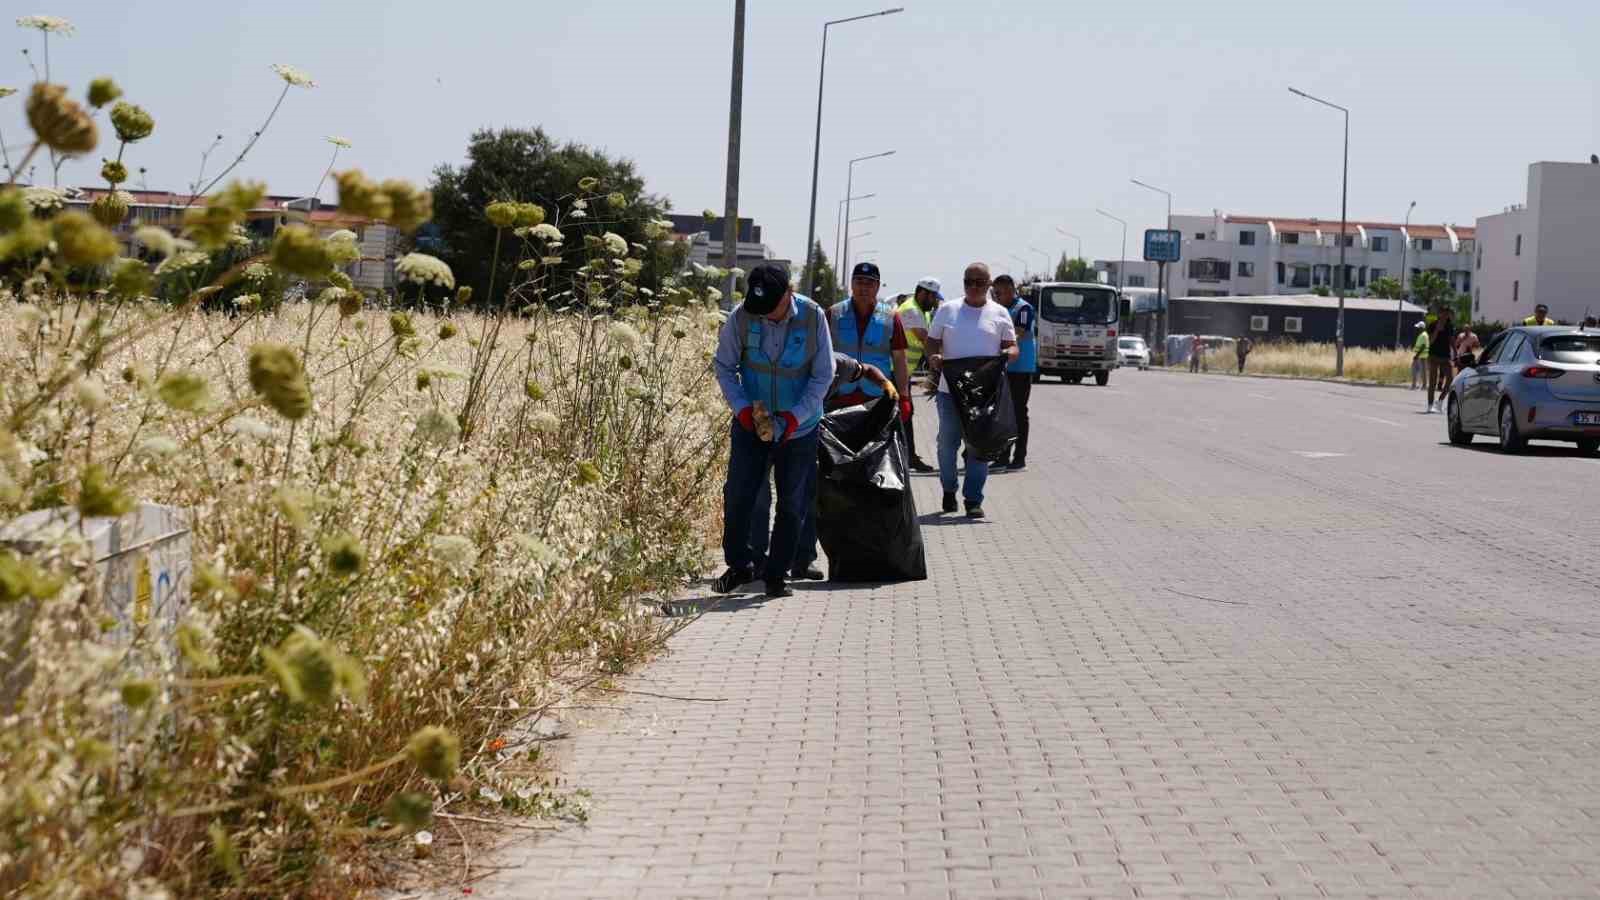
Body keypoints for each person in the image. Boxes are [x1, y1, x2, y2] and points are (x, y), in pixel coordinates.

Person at [711, 262, 834, 598]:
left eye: (773, 309)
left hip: (799, 428)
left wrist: (796, 417)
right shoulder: (742, 315)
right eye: (760, 309)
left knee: (792, 503)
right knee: (738, 496)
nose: (766, 315)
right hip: (752, 424)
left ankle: (776, 576)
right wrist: (742, 409)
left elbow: (823, 374)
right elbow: (723, 366)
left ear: (789, 295)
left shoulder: (812, 317)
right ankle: (740, 566)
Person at [747, 353, 895, 582]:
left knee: (806, 497)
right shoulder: (782, 361)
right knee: (759, 495)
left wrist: (885, 383)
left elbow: (866, 369)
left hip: (804, 433)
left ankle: (802, 560)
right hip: (763, 427)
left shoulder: (837, 363)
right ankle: (757, 559)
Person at [925, 262, 1018, 519]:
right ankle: (948, 488)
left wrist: (1008, 353)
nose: (973, 287)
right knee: (947, 444)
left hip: (983, 395)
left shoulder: (999, 313)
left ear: (989, 286)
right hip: (949, 391)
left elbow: (1012, 346)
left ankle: (973, 499)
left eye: (979, 282)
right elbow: (932, 341)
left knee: (979, 445)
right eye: (969, 281)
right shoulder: (948, 310)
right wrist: (933, 356)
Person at [896, 277, 942, 472]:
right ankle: (908, 457)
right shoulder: (912, 310)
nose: (936, 302)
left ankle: (906, 455)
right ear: (923, 293)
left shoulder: (923, 311)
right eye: (933, 298)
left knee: (904, 414)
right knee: (904, 414)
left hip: (903, 371)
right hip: (894, 370)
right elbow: (927, 341)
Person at [990, 274, 1034, 470]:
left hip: (1020, 368)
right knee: (1003, 413)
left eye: (998, 293)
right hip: (1004, 368)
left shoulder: (1023, 308)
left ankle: (1019, 457)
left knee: (1018, 412)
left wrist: (1000, 342)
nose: (996, 296)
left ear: (1009, 290)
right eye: (995, 293)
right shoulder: (999, 309)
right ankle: (1002, 456)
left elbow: (1020, 332)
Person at [1425, 308, 1455, 414]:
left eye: (1447, 313)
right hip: (1433, 356)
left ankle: (1440, 401)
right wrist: (1437, 330)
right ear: (1439, 314)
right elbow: (1430, 341)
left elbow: (1451, 340)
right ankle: (1430, 405)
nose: (1445, 315)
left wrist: (1455, 353)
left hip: (1445, 357)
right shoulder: (1432, 325)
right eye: (1443, 313)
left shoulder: (1449, 326)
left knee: (1451, 380)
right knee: (1433, 382)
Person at [1410, 321, 1429, 390]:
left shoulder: (1423, 335)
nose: (1417, 329)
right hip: (1420, 356)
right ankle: (1415, 385)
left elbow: (1423, 346)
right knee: (1417, 371)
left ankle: (1421, 386)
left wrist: (1417, 355)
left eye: (1418, 327)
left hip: (1421, 356)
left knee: (1420, 372)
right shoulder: (1422, 334)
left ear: (1422, 328)